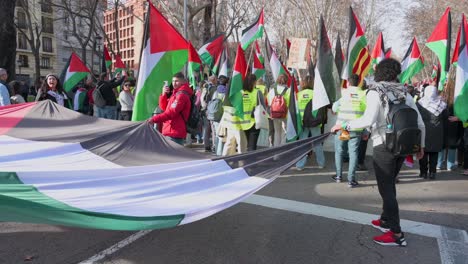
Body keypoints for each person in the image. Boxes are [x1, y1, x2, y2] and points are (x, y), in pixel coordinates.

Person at [331, 58, 425, 247]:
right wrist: (420, 147)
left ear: (379, 72)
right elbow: (420, 122)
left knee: (386, 189)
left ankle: (397, 234)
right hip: (403, 146)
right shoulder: (404, 92)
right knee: (389, 184)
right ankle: (384, 220)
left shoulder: (376, 92)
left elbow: (367, 120)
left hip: (384, 145)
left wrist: (344, 125)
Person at [331, 74, 367, 187]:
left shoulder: (344, 93)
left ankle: (338, 176)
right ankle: (351, 180)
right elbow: (367, 113)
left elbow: (334, 108)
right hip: (356, 129)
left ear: (348, 83)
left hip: (342, 129)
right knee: (354, 153)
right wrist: (366, 131)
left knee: (340, 151)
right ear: (359, 82)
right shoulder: (364, 94)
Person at [148, 72, 192, 145]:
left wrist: (153, 119)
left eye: (177, 81)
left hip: (175, 132)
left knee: (173, 156)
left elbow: (171, 113)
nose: (174, 83)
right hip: (171, 130)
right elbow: (164, 108)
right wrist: (163, 94)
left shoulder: (181, 95)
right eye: (173, 81)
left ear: (183, 82)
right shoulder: (176, 94)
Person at [416, 85, 448, 179]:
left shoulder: (420, 103)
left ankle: (423, 172)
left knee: (423, 151)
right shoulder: (441, 104)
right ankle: (432, 172)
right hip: (437, 132)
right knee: (434, 153)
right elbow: (446, 116)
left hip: (423, 130)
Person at [295, 75, 325, 170]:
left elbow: (296, 111)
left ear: (303, 83)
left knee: (302, 144)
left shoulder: (298, 95)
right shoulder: (316, 94)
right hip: (314, 122)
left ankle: (300, 165)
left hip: (303, 122)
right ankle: (321, 163)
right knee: (317, 143)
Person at [268, 74, 290, 146]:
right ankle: (282, 151)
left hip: (274, 114)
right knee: (284, 133)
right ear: (286, 81)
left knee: (277, 133)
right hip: (285, 115)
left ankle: (276, 152)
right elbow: (290, 103)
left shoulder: (272, 89)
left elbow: (269, 101)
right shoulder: (288, 90)